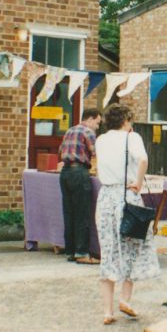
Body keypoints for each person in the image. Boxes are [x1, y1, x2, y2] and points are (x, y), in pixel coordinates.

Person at [93, 104, 160, 325]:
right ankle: (125, 299)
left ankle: (107, 311)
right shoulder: (132, 138)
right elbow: (142, 160)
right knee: (132, 246)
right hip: (126, 196)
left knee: (108, 250)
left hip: (105, 198)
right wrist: (138, 182)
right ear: (125, 120)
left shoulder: (101, 140)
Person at [58, 107, 102, 264]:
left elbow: (60, 151)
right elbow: (97, 152)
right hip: (79, 172)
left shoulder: (70, 130)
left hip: (65, 172)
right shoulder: (88, 131)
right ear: (90, 119)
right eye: (97, 123)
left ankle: (70, 250)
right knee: (82, 213)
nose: (97, 126)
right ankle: (82, 252)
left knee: (69, 213)